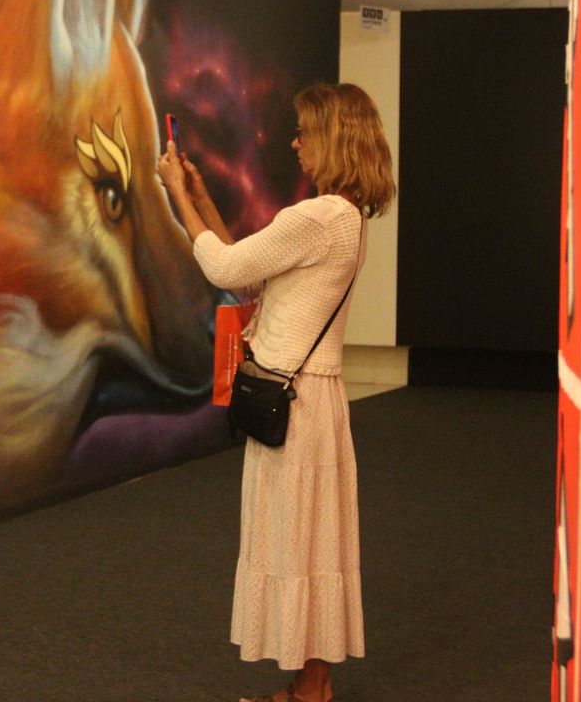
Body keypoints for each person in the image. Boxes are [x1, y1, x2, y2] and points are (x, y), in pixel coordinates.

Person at [156, 82, 396, 702]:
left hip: (292, 406)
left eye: (304, 132)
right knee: (312, 545)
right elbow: (248, 272)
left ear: (332, 140)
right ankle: (312, 686)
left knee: (296, 544)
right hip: (313, 401)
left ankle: (310, 691)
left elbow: (224, 269)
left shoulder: (317, 218)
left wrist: (177, 193)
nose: (295, 144)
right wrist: (202, 200)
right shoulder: (345, 219)